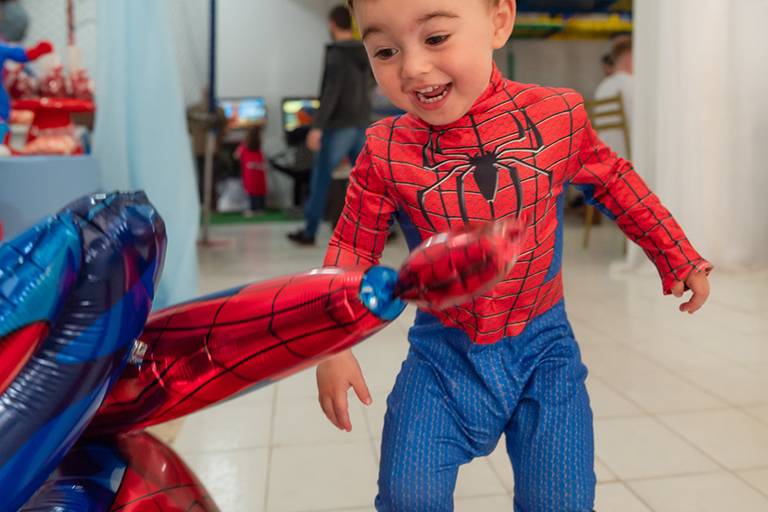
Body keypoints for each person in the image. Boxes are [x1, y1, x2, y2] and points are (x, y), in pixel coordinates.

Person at [315, 1, 712, 511]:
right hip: (441, 355)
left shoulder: (556, 115)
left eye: (435, 38)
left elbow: (614, 181)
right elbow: (352, 245)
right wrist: (333, 342)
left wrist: (674, 252)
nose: (412, 67)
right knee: (408, 493)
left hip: (545, 350)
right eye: (386, 51)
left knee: (561, 499)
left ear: (499, 21)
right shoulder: (385, 150)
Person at [287, 4, 373, 246]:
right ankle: (382, 230)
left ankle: (309, 232)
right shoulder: (365, 52)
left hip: (339, 125)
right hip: (361, 122)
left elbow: (331, 92)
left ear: (333, 24)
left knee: (321, 178)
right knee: (368, 181)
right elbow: (372, 83)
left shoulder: (337, 53)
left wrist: (317, 126)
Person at [186, 87, 228, 208]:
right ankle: (207, 204)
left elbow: (223, 126)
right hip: (204, 149)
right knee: (205, 178)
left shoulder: (216, 111)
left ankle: (210, 203)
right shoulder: (195, 110)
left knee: (210, 178)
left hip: (209, 149)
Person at [594, 36, 633, 158]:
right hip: (629, 158)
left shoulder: (602, 86)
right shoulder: (632, 83)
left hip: (605, 157)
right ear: (629, 57)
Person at [235, 125, 266, 216]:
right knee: (259, 190)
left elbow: (236, 155)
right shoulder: (259, 148)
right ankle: (260, 208)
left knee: (252, 190)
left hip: (250, 173)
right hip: (259, 172)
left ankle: (253, 208)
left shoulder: (244, 147)